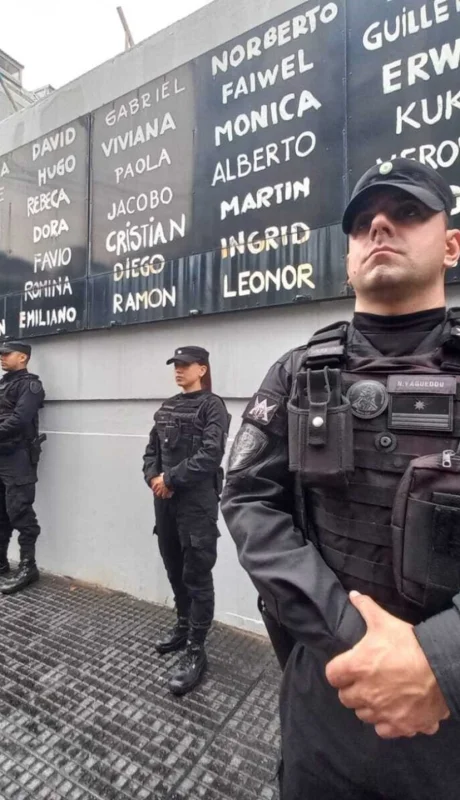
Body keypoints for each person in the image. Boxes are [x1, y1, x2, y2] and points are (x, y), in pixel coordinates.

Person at [221, 158, 460, 799]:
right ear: (350, 255)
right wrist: (352, 641)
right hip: (330, 693)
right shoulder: (299, 373)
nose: (379, 225)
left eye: (407, 212)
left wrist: (441, 660)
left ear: (451, 243)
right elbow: (247, 496)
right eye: (360, 223)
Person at [143, 345, 229, 696]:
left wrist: (170, 479)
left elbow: (211, 455)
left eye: (184, 365)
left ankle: (196, 648)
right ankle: (182, 626)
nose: (178, 370)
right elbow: (152, 451)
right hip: (164, 502)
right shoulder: (167, 406)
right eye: (175, 365)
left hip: (196, 503)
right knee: (174, 566)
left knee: (197, 573)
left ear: (202, 369)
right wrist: (152, 478)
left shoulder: (213, 406)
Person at [0, 341, 45, 595]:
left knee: (20, 512)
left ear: (23, 357)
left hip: (18, 457)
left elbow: (19, 420)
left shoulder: (31, 386)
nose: (2, 358)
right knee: (1, 512)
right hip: (2, 455)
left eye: (7, 354)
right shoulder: (3, 384)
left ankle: (29, 567)